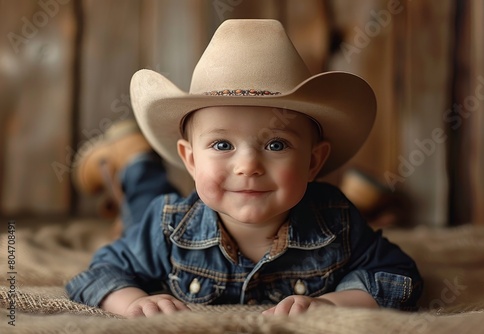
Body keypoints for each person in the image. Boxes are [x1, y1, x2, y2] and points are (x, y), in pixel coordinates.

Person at [66, 19, 422, 318]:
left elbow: (399, 275)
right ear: (190, 159)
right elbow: (97, 274)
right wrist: (134, 301)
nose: (249, 166)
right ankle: (134, 160)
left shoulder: (337, 222)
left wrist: (332, 302)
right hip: (167, 211)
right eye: (222, 145)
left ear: (314, 161)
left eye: (276, 145)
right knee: (146, 203)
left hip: (320, 201)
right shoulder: (168, 226)